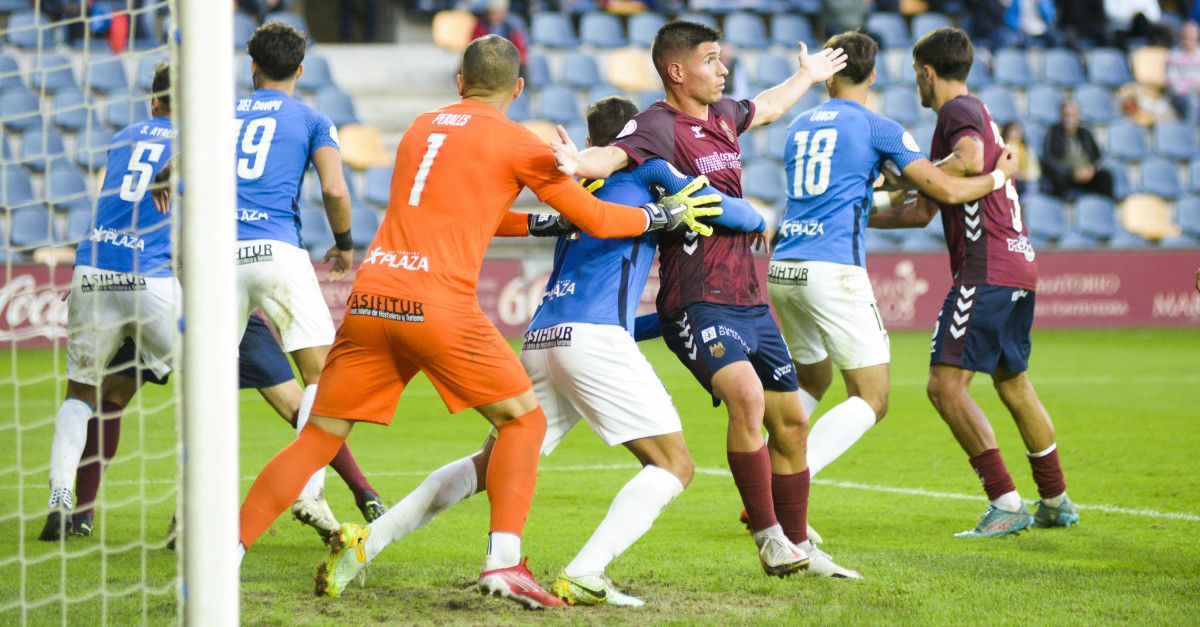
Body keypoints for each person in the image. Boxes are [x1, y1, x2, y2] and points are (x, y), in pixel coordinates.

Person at [235, 34, 719, 609]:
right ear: (517, 88)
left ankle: (229, 550)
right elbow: (595, 218)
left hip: (371, 297)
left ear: (459, 82)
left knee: (317, 437)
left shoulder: (420, 128)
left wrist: (538, 226)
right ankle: (504, 564)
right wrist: (656, 214)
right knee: (523, 423)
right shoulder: (520, 142)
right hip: (437, 304)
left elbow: (463, 211)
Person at [314, 95, 760, 606]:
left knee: (488, 465)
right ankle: (586, 571)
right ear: (636, 140)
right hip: (592, 340)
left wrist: (665, 320)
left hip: (544, 337)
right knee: (673, 465)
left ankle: (369, 541)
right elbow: (733, 213)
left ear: (590, 142)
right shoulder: (652, 168)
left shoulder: (575, 186)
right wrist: (761, 219)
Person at [551, 20, 858, 578]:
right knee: (747, 398)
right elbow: (611, 159)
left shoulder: (721, 117)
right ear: (677, 70)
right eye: (712, 59)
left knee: (791, 424)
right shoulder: (654, 126)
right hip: (695, 300)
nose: (723, 70)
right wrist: (577, 165)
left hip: (749, 298)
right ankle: (769, 540)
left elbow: (762, 107)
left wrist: (806, 76)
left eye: (722, 59)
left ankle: (799, 545)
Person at [769, 31, 1019, 522]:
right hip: (832, 269)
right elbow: (945, 189)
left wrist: (876, 194)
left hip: (784, 265)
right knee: (873, 398)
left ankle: (762, 478)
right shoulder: (879, 127)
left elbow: (844, 199)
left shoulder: (798, 125)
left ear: (830, 72)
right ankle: (788, 481)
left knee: (813, 378)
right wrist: (999, 177)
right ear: (874, 75)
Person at [870, 27, 1079, 538]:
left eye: (917, 76)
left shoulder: (956, 112)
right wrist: (859, 215)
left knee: (945, 387)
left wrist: (910, 172)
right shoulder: (978, 113)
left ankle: (1005, 501)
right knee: (1014, 384)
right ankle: (1055, 498)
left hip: (986, 265)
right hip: (1018, 263)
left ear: (927, 72)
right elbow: (923, 212)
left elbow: (966, 162)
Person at [61, 315, 387, 540]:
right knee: (296, 404)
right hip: (232, 308)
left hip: (170, 307)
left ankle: (82, 515)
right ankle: (365, 492)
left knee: (112, 394)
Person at [39, 63, 177, 541]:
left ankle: (61, 495)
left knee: (81, 393)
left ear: (154, 102)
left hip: (91, 271)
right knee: (211, 378)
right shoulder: (197, 143)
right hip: (151, 281)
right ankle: (192, 512)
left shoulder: (123, 137)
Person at [234, 20, 356, 540]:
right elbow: (333, 187)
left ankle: (191, 511)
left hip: (217, 254)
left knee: (210, 386)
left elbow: (174, 172)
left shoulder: (219, 114)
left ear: (252, 64)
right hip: (278, 250)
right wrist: (345, 242)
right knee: (320, 378)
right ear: (300, 69)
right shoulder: (312, 117)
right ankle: (309, 487)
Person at [1041, 100, 1115, 201]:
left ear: (1079, 116)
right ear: (1061, 116)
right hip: (1066, 175)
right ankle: (1061, 211)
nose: (1069, 119)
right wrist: (1071, 172)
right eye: (1066, 115)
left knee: (1106, 176)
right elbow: (1049, 159)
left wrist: (1091, 169)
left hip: (1087, 174)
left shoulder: (1086, 134)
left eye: (1073, 115)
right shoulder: (1053, 133)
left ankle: (1104, 208)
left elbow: (1098, 157)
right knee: (1057, 179)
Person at [1167, 21, 1200, 124]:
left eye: (1191, 38)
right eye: (1184, 37)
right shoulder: (1174, 56)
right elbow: (1173, 85)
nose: (1187, 41)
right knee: (1192, 101)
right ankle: (1188, 137)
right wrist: (1193, 89)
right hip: (1182, 97)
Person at [1001, 121, 1040, 196]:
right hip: (1008, 180)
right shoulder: (1002, 146)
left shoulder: (1026, 149)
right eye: (1014, 130)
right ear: (1006, 132)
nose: (1017, 133)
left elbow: (1035, 171)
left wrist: (1025, 175)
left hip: (1025, 181)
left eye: (1019, 131)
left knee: (1032, 187)